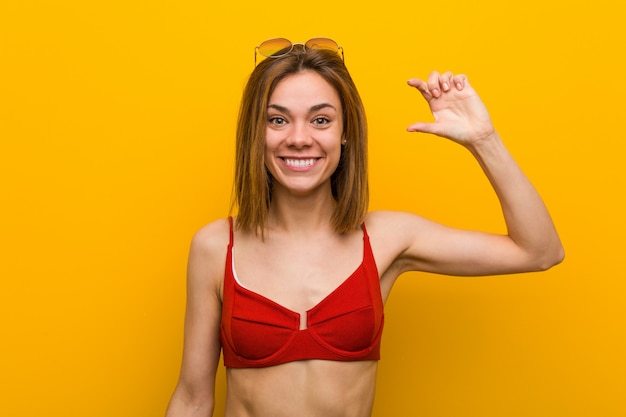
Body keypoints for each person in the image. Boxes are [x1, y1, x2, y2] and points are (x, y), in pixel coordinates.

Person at [165, 37, 564, 417]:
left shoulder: (388, 239)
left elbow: (539, 251)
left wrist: (484, 139)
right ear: (256, 133)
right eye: (277, 120)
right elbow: (192, 398)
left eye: (321, 119)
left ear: (345, 134)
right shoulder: (217, 247)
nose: (299, 138)